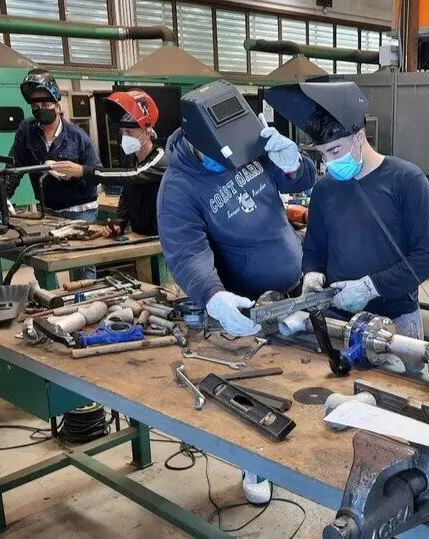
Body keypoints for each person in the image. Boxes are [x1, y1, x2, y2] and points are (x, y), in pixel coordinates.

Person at [157, 82, 316, 502]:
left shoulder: (246, 143)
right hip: (248, 306)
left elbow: (302, 179)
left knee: (308, 381)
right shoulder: (178, 188)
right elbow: (186, 251)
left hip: (296, 283)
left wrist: (296, 163)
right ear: (196, 144)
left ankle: (301, 453)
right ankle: (255, 466)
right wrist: (213, 295)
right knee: (254, 393)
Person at [265, 82, 429, 339]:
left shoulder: (407, 180)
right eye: (324, 154)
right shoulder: (325, 189)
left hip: (397, 320)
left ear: (360, 138)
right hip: (339, 320)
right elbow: (315, 248)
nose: (330, 162)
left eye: (335, 150)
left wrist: (372, 287)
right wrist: (312, 274)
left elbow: (427, 256)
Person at [8, 68, 102, 279]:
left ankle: (86, 307)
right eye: (35, 105)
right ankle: (50, 302)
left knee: (82, 264)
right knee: (41, 260)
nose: (40, 109)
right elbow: (14, 167)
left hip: (80, 210)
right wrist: (3, 198)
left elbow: (97, 175)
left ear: (58, 106)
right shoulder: (27, 130)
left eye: (46, 104)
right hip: (48, 210)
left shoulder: (78, 137)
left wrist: (75, 173)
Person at [72, 89, 165, 236]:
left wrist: (84, 171)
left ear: (147, 131)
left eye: (129, 132)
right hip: (141, 239)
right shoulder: (132, 161)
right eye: (122, 132)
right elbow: (127, 198)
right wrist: (119, 224)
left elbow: (133, 175)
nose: (124, 137)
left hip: (165, 243)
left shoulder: (161, 159)